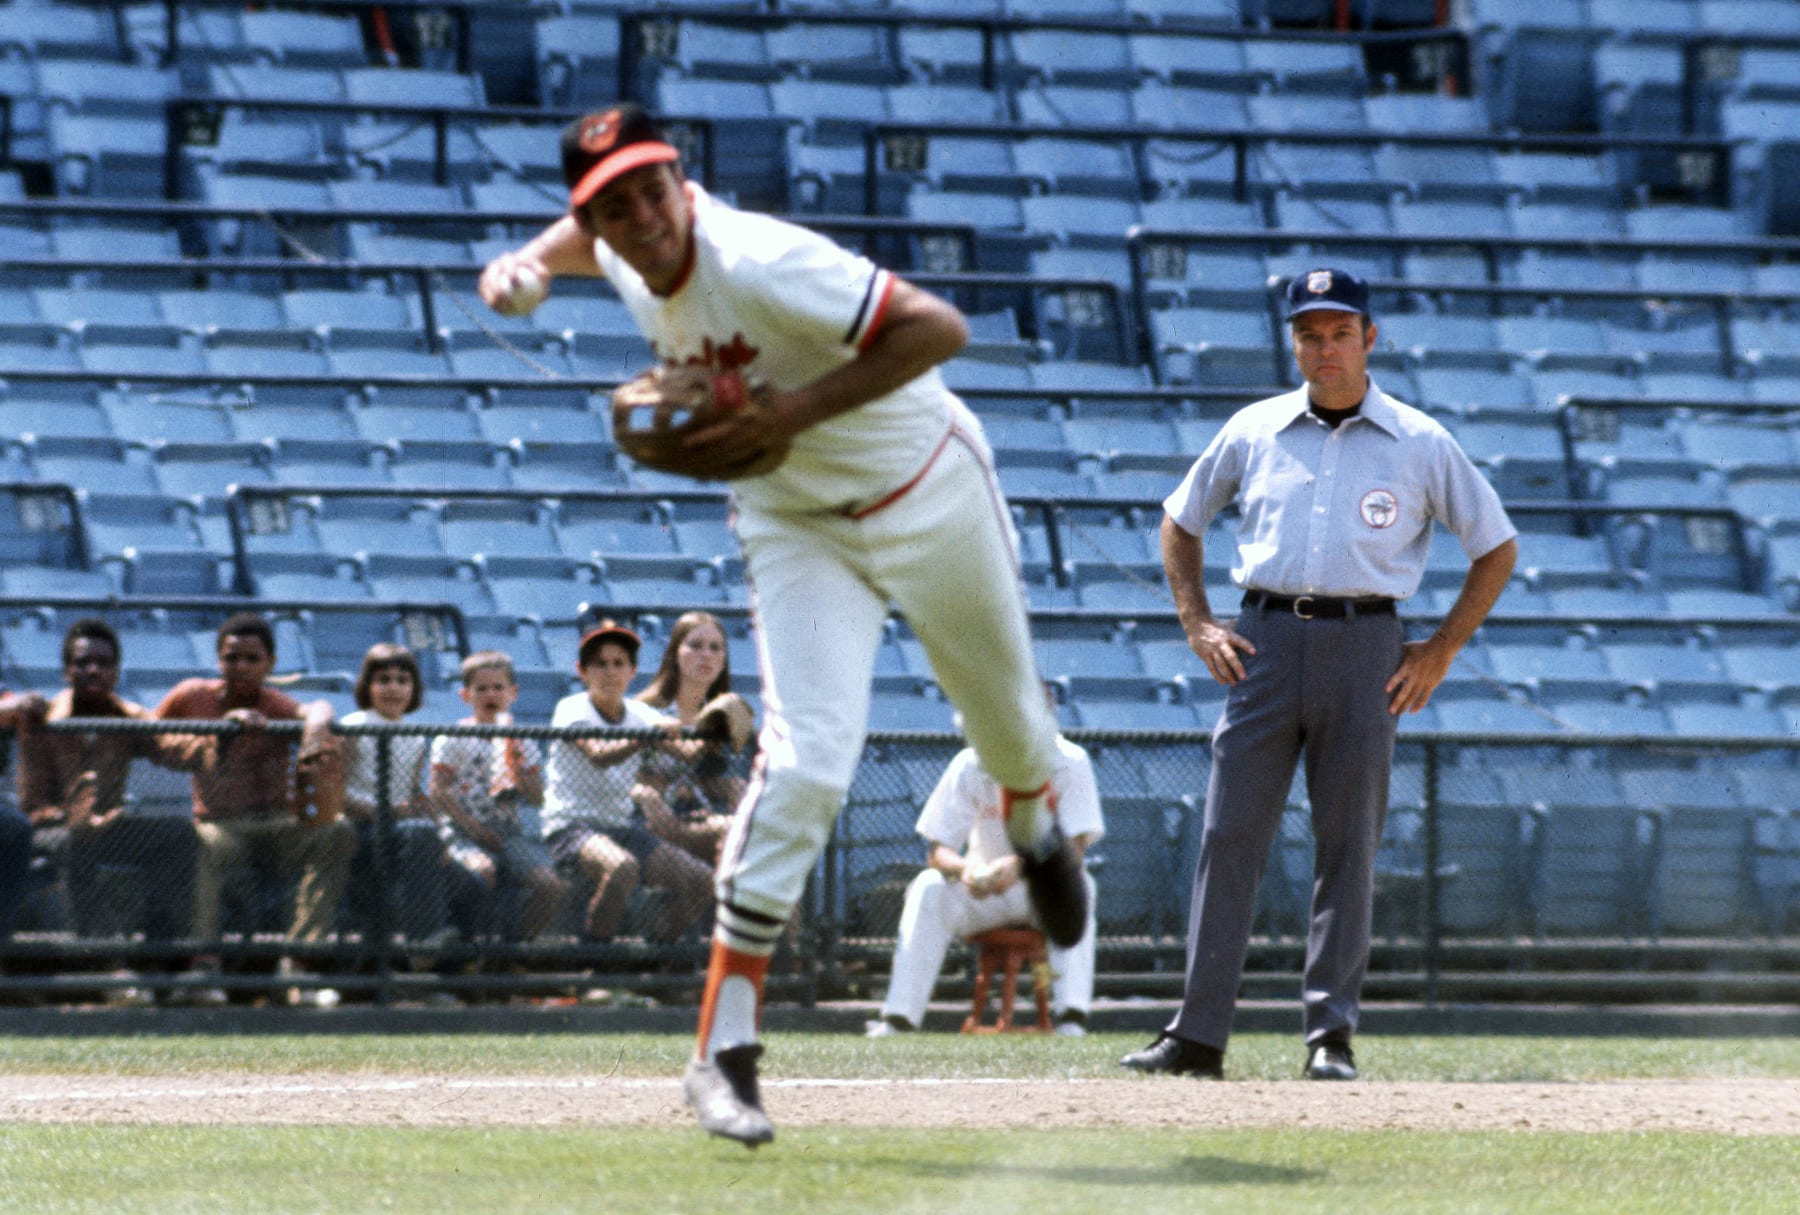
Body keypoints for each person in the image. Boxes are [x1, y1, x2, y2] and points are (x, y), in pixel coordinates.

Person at [478, 104, 1084, 1147]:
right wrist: (528, 263)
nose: (641, 217)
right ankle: (724, 1051)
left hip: (928, 487)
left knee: (1008, 722)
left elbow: (938, 328)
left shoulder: (757, 260)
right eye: (613, 205)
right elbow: (581, 239)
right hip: (795, 519)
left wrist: (787, 416)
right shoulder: (623, 249)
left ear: (684, 181)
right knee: (804, 766)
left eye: (650, 187)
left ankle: (1032, 820)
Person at [1120, 269, 1518, 1083]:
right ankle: (1197, 1036)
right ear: (1292, 341)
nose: (1324, 348)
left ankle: (1329, 1036)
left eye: (1340, 332)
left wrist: (1438, 650)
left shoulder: (1420, 440)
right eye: (1309, 333)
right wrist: (1198, 621)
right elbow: (1179, 520)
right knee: (1229, 837)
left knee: (1348, 846)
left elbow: (1496, 544)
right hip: (1262, 639)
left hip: (1367, 646)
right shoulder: (1255, 428)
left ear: (1371, 338)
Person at [154, 613, 354, 1008]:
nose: (241, 667)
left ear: (270, 664)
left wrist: (314, 729)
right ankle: (203, 970)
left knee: (339, 831)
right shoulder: (192, 695)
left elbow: (319, 709)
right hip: (220, 825)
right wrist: (211, 739)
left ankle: (297, 966)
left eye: (252, 658)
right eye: (232, 657)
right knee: (202, 844)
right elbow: (149, 732)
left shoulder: (274, 702)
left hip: (277, 824)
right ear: (218, 660)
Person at [12, 619, 213, 1005]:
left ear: (116, 671)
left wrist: (218, 740)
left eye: (103, 663)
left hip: (113, 826)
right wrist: (69, 816)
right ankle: (108, 968)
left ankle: (160, 960)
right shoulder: (41, 718)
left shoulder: (128, 715)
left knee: (177, 834)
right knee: (78, 839)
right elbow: (32, 802)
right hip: (54, 827)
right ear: (66, 670)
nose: (93, 670)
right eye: (83, 662)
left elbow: (173, 746)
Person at [867, 720, 1104, 1039]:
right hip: (982, 891)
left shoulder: (1069, 761)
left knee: (1082, 884)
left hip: (1041, 891)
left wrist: (1020, 868)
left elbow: (1075, 850)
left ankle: (1071, 1019)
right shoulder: (970, 762)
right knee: (929, 886)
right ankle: (899, 1020)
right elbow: (938, 851)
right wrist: (967, 871)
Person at [542, 621, 712, 946]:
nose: (609, 672)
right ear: (582, 671)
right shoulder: (571, 707)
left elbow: (688, 754)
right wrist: (646, 738)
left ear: (632, 671)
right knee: (622, 867)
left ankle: (659, 956)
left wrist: (713, 727)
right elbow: (599, 755)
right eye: (600, 664)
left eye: (619, 663)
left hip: (621, 826)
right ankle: (597, 962)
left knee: (699, 880)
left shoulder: (640, 713)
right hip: (570, 825)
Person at [340, 644, 479, 962]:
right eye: (384, 679)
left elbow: (414, 795)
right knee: (418, 833)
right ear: (367, 685)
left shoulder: (415, 735)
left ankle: (450, 972)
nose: (393, 688)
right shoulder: (351, 727)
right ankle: (422, 944)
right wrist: (388, 812)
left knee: (470, 884)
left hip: (406, 835)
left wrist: (439, 837)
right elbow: (335, 799)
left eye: (403, 680)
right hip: (362, 833)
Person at [428, 652, 565, 945]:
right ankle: (465, 947)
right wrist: (473, 829)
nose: (490, 694)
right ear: (465, 695)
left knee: (549, 885)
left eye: (498, 687)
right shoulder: (452, 737)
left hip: (507, 833)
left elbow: (537, 798)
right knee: (482, 872)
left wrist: (521, 768)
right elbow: (438, 790)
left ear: (513, 693)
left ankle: (514, 949)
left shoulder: (522, 739)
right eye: (481, 688)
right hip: (462, 830)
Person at [631, 610, 744, 866]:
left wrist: (729, 787)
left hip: (701, 818)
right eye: (695, 646)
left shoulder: (720, 716)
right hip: (648, 823)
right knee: (737, 833)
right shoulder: (647, 710)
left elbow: (715, 778)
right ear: (675, 653)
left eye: (716, 648)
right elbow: (626, 779)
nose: (706, 655)